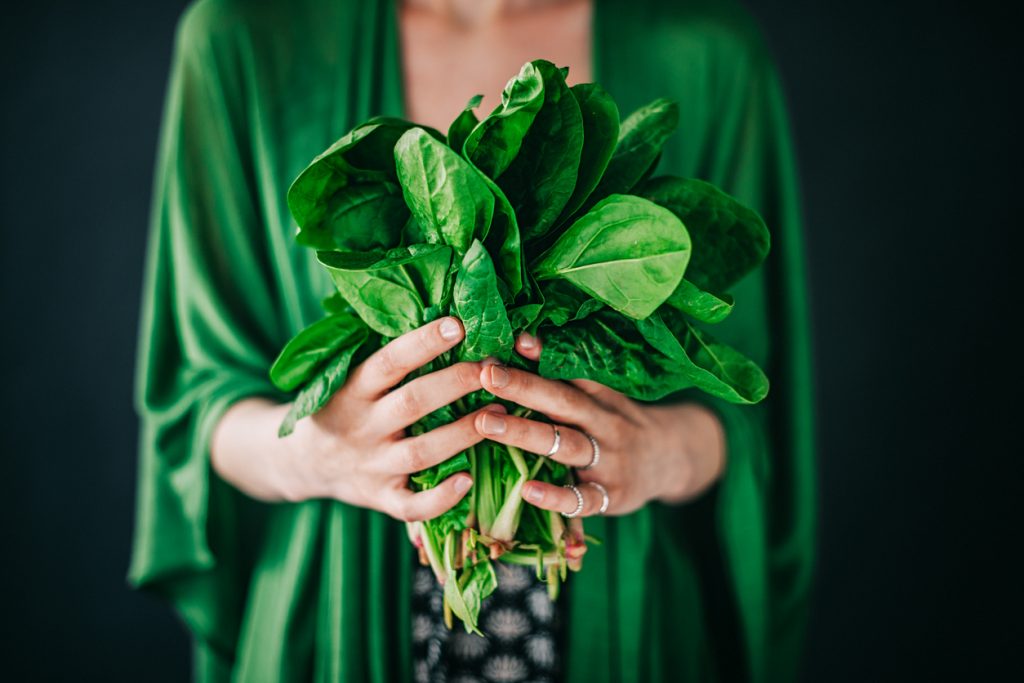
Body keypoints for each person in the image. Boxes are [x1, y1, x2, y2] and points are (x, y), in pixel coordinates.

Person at [129, 0, 816, 681]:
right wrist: (319, 454)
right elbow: (196, 402)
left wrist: (660, 453)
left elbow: (752, 403)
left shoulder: (707, 50)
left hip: (630, 621)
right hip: (334, 624)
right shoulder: (241, 38)